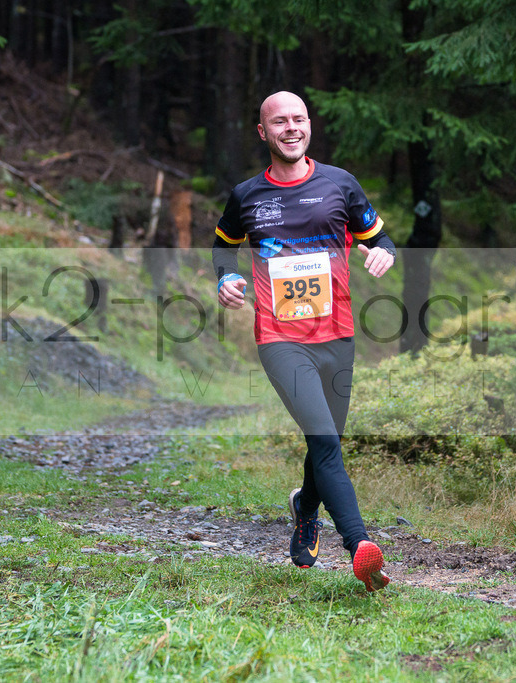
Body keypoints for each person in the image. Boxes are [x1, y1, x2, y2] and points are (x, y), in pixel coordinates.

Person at [213, 91, 396, 592]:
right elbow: (222, 248)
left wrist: (384, 254)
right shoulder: (247, 195)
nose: (290, 128)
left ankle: (305, 509)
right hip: (279, 338)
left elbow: (379, 237)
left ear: (308, 125)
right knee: (325, 443)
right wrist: (224, 281)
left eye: (298, 120)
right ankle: (359, 547)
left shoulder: (341, 184)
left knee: (326, 441)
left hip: (338, 335)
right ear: (263, 132)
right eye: (279, 122)